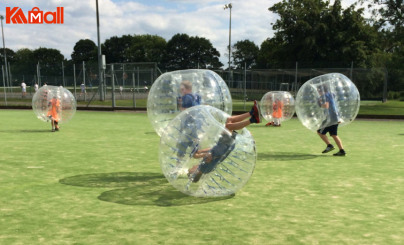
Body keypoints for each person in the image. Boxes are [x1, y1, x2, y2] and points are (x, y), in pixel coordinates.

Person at [187, 100, 261, 182]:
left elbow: (211, 151)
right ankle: (253, 119)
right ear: (195, 173)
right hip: (223, 146)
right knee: (229, 126)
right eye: (190, 170)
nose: (191, 167)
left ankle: (252, 112)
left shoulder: (203, 168)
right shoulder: (204, 169)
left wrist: (199, 152)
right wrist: (198, 155)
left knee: (229, 120)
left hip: (223, 146)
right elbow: (209, 156)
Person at [317, 86, 346, 156]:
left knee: (319, 131)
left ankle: (329, 145)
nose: (318, 92)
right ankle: (342, 151)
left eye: (319, 91)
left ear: (322, 91)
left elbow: (326, 106)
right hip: (336, 117)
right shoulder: (330, 94)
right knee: (334, 134)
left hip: (331, 118)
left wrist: (319, 104)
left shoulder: (325, 96)